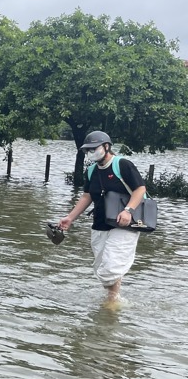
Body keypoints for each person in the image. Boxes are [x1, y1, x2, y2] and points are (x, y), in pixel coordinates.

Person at [58, 130, 147, 307]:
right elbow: (86, 196)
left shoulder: (122, 165)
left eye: (94, 148)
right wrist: (70, 218)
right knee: (101, 267)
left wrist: (128, 210)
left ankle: (114, 300)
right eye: (88, 150)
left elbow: (140, 190)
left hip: (124, 224)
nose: (91, 153)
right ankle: (113, 299)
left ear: (106, 147)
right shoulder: (91, 171)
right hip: (100, 223)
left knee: (110, 267)